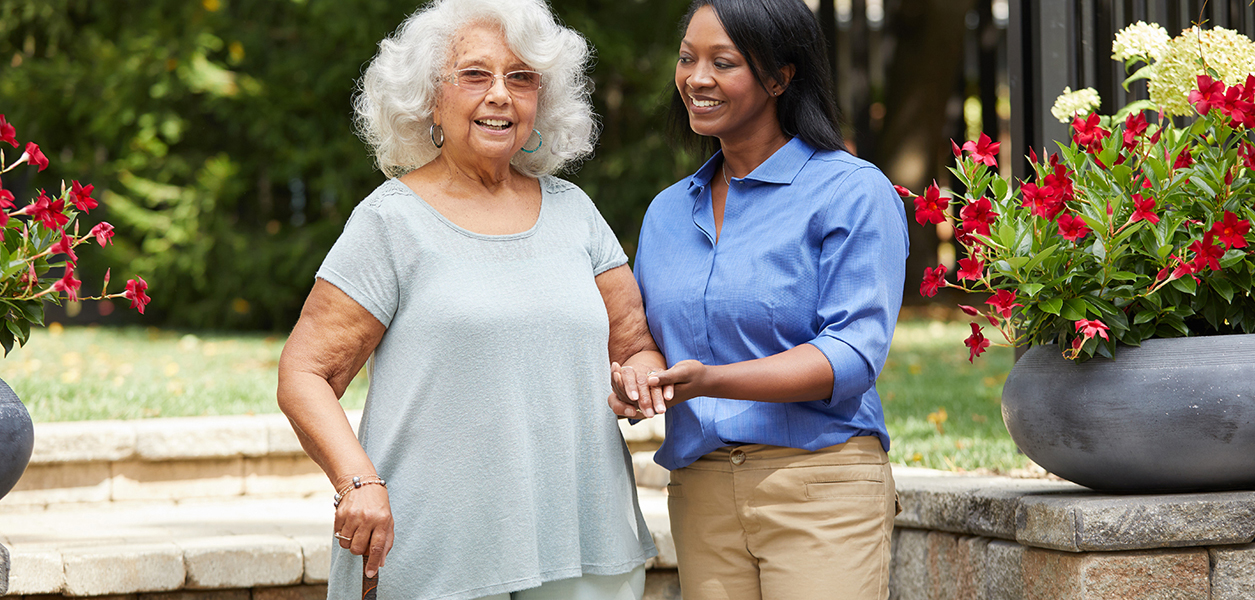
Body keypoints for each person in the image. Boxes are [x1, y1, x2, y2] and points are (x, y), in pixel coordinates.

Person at [277, 1, 663, 598]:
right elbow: (305, 372)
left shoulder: (575, 213)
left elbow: (635, 347)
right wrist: (356, 482)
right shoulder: (391, 220)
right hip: (437, 550)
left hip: (587, 542)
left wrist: (639, 383)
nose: (501, 95)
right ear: (430, 97)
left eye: (521, 77)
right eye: (475, 74)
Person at [608, 1, 909, 598]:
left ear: (780, 76)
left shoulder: (851, 191)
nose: (697, 78)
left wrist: (711, 381)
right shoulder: (668, 212)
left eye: (724, 62)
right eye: (687, 58)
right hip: (701, 493)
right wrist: (640, 382)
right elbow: (649, 343)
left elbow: (850, 357)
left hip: (820, 485)